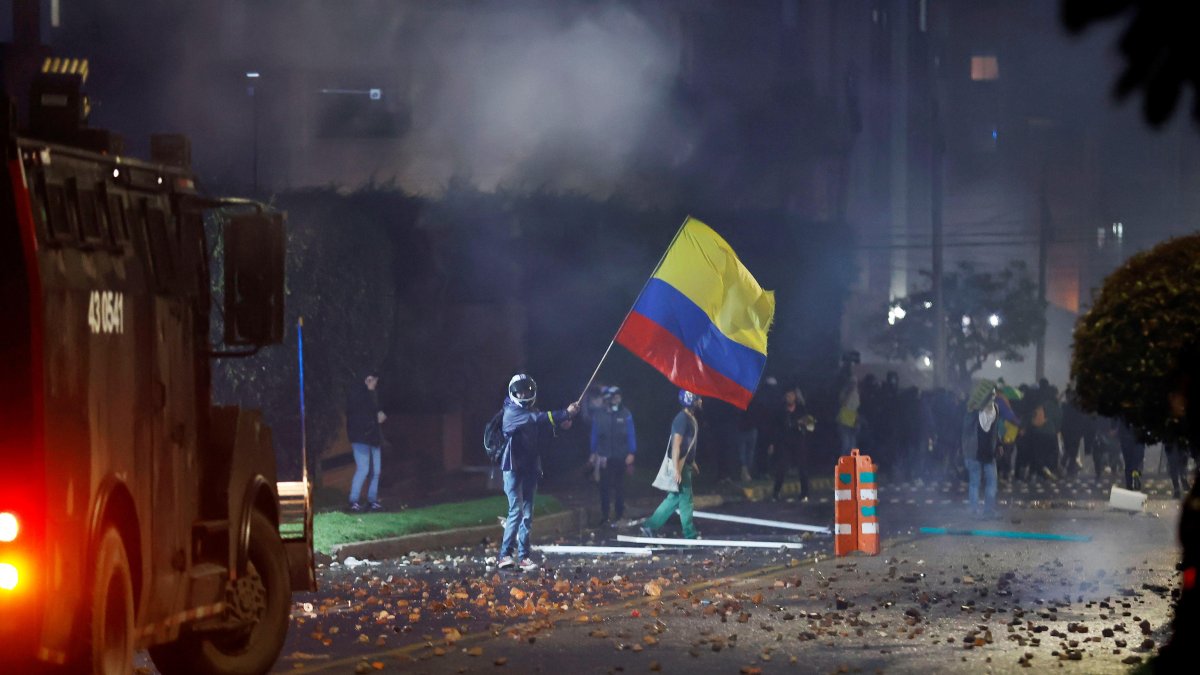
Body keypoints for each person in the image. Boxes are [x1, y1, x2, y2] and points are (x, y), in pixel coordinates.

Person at [498, 373, 579, 572]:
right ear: (513, 391)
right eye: (521, 390)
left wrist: (561, 423)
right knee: (516, 511)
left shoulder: (530, 410)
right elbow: (538, 419)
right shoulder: (512, 412)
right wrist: (566, 413)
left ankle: (524, 557)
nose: (524, 393)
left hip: (529, 468)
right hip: (513, 468)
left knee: (527, 514)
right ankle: (504, 555)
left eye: (527, 390)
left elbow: (542, 425)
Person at [640, 390, 703, 540]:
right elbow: (676, 444)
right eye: (698, 399)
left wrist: (692, 461)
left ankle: (650, 526)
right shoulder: (682, 419)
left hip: (684, 463)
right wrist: (676, 469)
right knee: (686, 499)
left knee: (674, 498)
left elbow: (689, 444)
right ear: (691, 401)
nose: (700, 401)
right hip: (679, 465)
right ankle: (690, 534)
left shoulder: (689, 418)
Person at [962, 381, 1016, 518]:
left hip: (989, 453)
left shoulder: (995, 409)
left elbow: (994, 430)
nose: (993, 397)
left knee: (992, 482)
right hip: (974, 452)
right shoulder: (973, 411)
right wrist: (965, 453)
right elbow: (965, 432)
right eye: (990, 394)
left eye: (994, 394)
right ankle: (974, 511)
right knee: (975, 482)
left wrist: (998, 444)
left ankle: (988, 510)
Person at [589, 386, 636, 526]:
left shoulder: (625, 413)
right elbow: (594, 435)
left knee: (619, 487)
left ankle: (620, 514)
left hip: (621, 456)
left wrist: (632, 452)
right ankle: (605, 516)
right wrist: (593, 452)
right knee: (604, 487)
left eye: (618, 396)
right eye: (614, 396)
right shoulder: (599, 415)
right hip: (604, 457)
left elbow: (631, 434)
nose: (617, 399)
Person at [346, 372, 386, 512]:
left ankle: (372, 500)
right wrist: (376, 417)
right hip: (361, 438)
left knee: (376, 470)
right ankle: (354, 501)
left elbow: (374, 411)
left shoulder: (372, 394)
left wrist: (379, 414)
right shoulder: (358, 396)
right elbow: (360, 416)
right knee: (363, 469)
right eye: (374, 381)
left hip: (373, 437)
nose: (376, 384)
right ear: (368, 380)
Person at [769, 386, 812, 501]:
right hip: (784, 442)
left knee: (802, 468)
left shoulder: (801, 409)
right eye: (788, 396)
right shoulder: (781, 410)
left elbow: (810, 425)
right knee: (781, 467)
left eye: (792, 395)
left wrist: (801, 423)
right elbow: (775, 428)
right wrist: (773, 443)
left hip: (798, 441)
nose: (790, 398)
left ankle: (804, 493)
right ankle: (776, 493)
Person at [1117, 419, 1145, 491]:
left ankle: (1129, 484)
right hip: (1134, 438)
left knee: (1130, 463)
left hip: (1129, 438)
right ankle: (1134, 476)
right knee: (1134, 461)